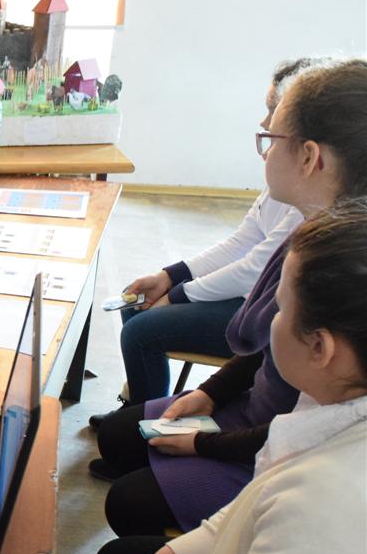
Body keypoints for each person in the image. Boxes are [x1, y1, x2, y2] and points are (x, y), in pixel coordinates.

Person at [55, 203, 367, 554]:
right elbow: (252, 508)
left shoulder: (327, 500)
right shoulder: (329, 404)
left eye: (281, 309)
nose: (268, 321)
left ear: (321, 348)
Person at [90, 58, 367, 537]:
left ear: (309, 157)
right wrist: (209, 392)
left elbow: (302, 430)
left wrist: (205, 445)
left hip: (272, 447)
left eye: (271, 136)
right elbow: (263, 351)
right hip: (256, 409)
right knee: (119, 438)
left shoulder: (337, 266)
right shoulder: (310, 227)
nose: (263, 146)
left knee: (128, 502)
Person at [90, 59, 322, 429]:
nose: (264, 122)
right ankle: (139, 409)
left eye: (272, 111)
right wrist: (170, 277)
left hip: (254, 314)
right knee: (136, 304)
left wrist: (177, 295)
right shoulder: (284, 184)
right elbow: (242, 242)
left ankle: (145, 426)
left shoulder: (307, 203)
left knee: (139, 329)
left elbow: (253, 270)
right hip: (249, 300)